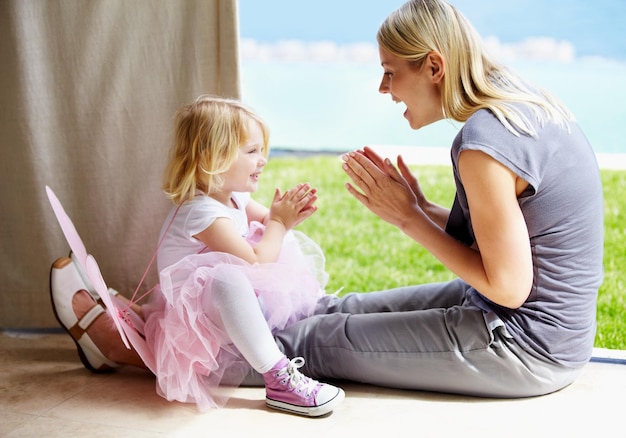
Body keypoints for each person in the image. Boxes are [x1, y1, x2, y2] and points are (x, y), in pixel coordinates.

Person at [51, 0, 603, 404]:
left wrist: (408, 218)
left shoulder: (483, 144)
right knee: (334, 309)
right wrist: (421, 205)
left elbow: (509, 285)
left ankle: (141, 353)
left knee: (311, 339)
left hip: (524, 344)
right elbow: (502, 238)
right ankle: (167, 331)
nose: (384, 89)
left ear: (433, 67)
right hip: (536, 327)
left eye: (391, 72)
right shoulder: (526, 103)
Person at [50, 95, 344, 416]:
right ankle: (278, 379)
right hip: (198, 321)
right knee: (229, 276)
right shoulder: (201, 212)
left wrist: (279, 216)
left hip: (227, 309)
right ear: (213, 158)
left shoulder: (234, 199)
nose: (263, 160)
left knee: (272, 237)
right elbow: (256, 260)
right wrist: (279, 221)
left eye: (262, 150)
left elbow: (265, 230)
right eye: (252, 151)